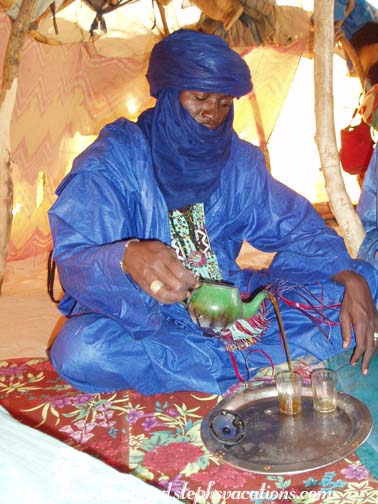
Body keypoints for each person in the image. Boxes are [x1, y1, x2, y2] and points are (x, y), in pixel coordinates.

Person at [48, 29, 378, 396]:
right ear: (170, 94)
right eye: (200, 97)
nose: (212, 113)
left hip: (231, 308)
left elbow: (296, 226)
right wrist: (125, 258)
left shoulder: (237, 161)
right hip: (149, 319)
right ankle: (251, 366)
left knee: (363, 288)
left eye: (224, 102)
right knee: (81, 350)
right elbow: (74, 259)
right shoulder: (114, 161)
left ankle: (218, 368)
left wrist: (346, 275)